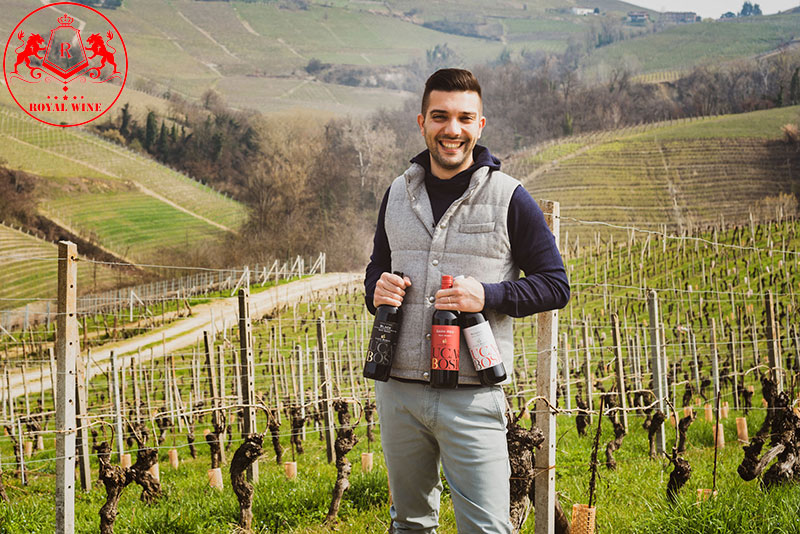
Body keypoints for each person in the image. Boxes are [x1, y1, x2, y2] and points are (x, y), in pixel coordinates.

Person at [364, 68, 570, 534]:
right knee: (409, 525)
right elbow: (376, 270)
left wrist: (489, 294)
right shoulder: (396, 194)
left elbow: (556, 285)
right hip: (398, 390)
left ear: (481, 125)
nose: (451, 129)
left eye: (464, 118)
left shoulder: (511, 198)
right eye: (440, 117)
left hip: (473, 394)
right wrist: (374, 289)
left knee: (486, 529)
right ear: (422, 122)